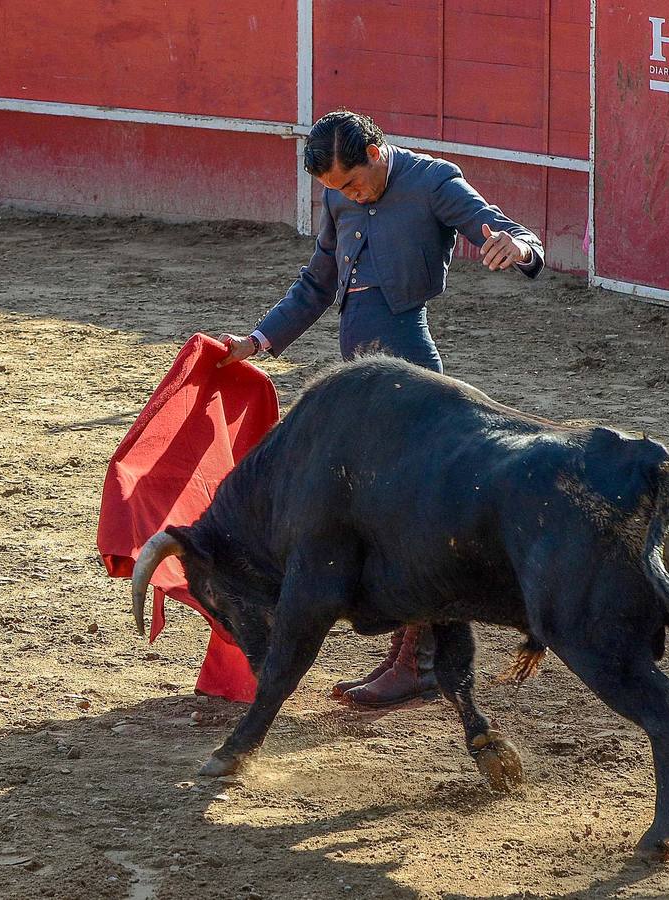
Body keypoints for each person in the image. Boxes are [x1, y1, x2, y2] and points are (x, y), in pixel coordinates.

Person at [216, 109, 545, 710]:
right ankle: (409, 657)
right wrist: (259, 342)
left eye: (352, 182)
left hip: (407, 370)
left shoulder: (433, 181)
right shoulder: (341, 196)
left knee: (404, 517)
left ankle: (418, 661)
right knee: (380, 513)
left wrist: (517, 247)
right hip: (361, 380)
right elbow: (318, 283)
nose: (346, 195)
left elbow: (504, 231)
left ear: (374, 148)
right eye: (336, 190)